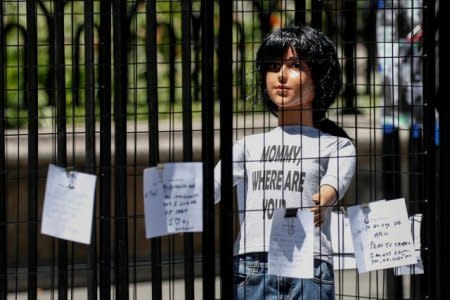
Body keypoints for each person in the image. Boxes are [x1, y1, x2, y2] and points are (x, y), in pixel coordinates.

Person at [214, 25, 356, 299]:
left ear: (320, 77)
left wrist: (325, 197)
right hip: (253, 261)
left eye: (295, 65)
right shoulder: (247, 146)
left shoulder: (335, 145)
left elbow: (332, 186)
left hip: (309, 260)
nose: (280, 75)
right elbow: (212, 187)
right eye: (273, 65)